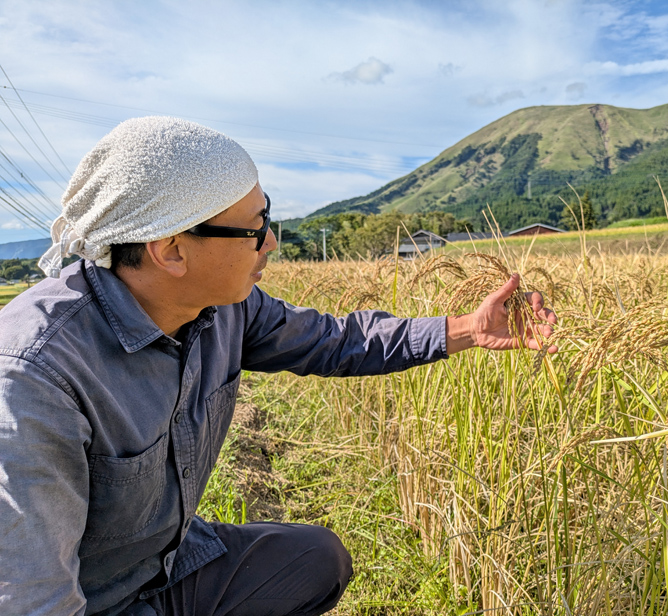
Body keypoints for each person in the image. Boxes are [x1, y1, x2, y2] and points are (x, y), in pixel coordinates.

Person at [0, 117, 557, 616]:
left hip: (163, 570)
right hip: (89, 600)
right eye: (254, 228)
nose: (272, 243)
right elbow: (34, 598)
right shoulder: (34, 377)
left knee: (315, 559)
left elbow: (336, 341)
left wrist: (467, 329)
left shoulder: (224, 309)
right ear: (171, 251)